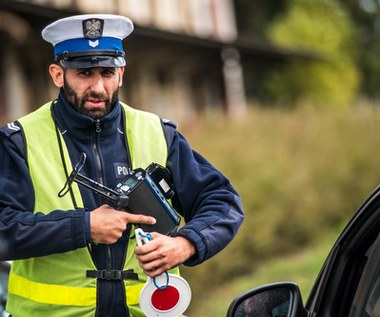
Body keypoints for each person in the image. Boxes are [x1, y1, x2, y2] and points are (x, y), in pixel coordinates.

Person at [0, 13, 244, 317]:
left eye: (107, 72)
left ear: (122, 73)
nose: (99, 87)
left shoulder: (158, 133)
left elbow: (223, 201)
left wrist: (185, 244)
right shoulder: (18, 141)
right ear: (58, 74)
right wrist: (84, 226)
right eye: (85, 73)